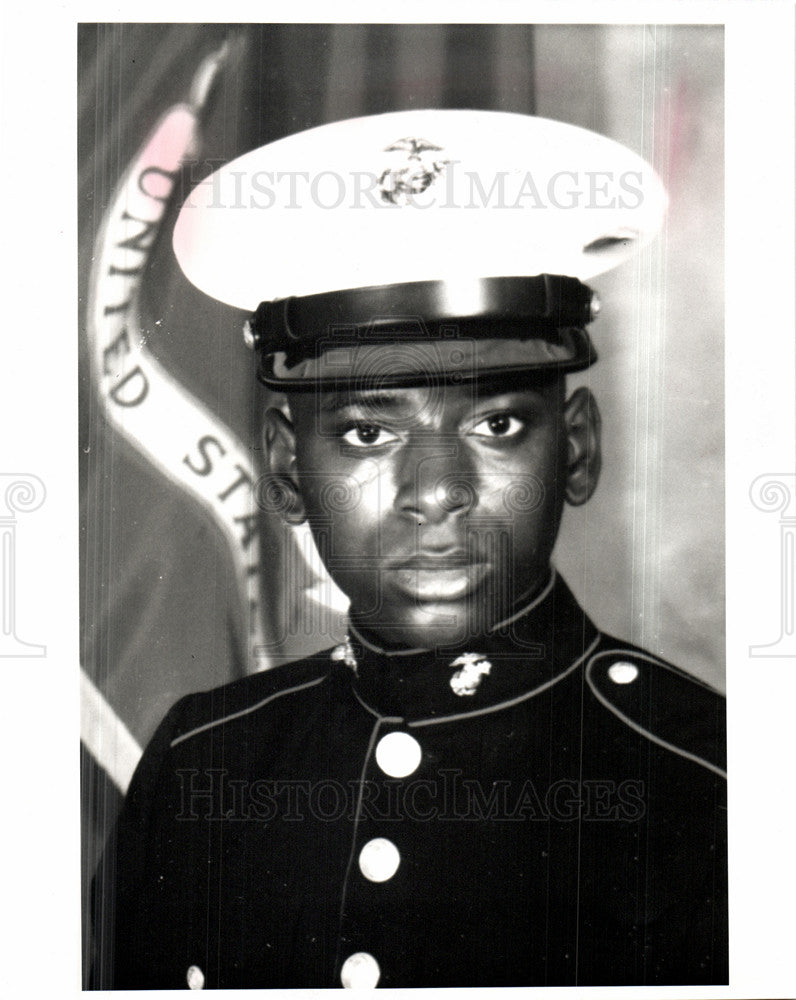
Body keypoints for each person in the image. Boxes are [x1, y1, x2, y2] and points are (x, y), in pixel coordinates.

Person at [90, 110, 727, 989]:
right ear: (284, 467)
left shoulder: (714, 783)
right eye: (364, 433)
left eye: (497, 424)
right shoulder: (202, 763)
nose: (436, 491)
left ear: (577, 449)